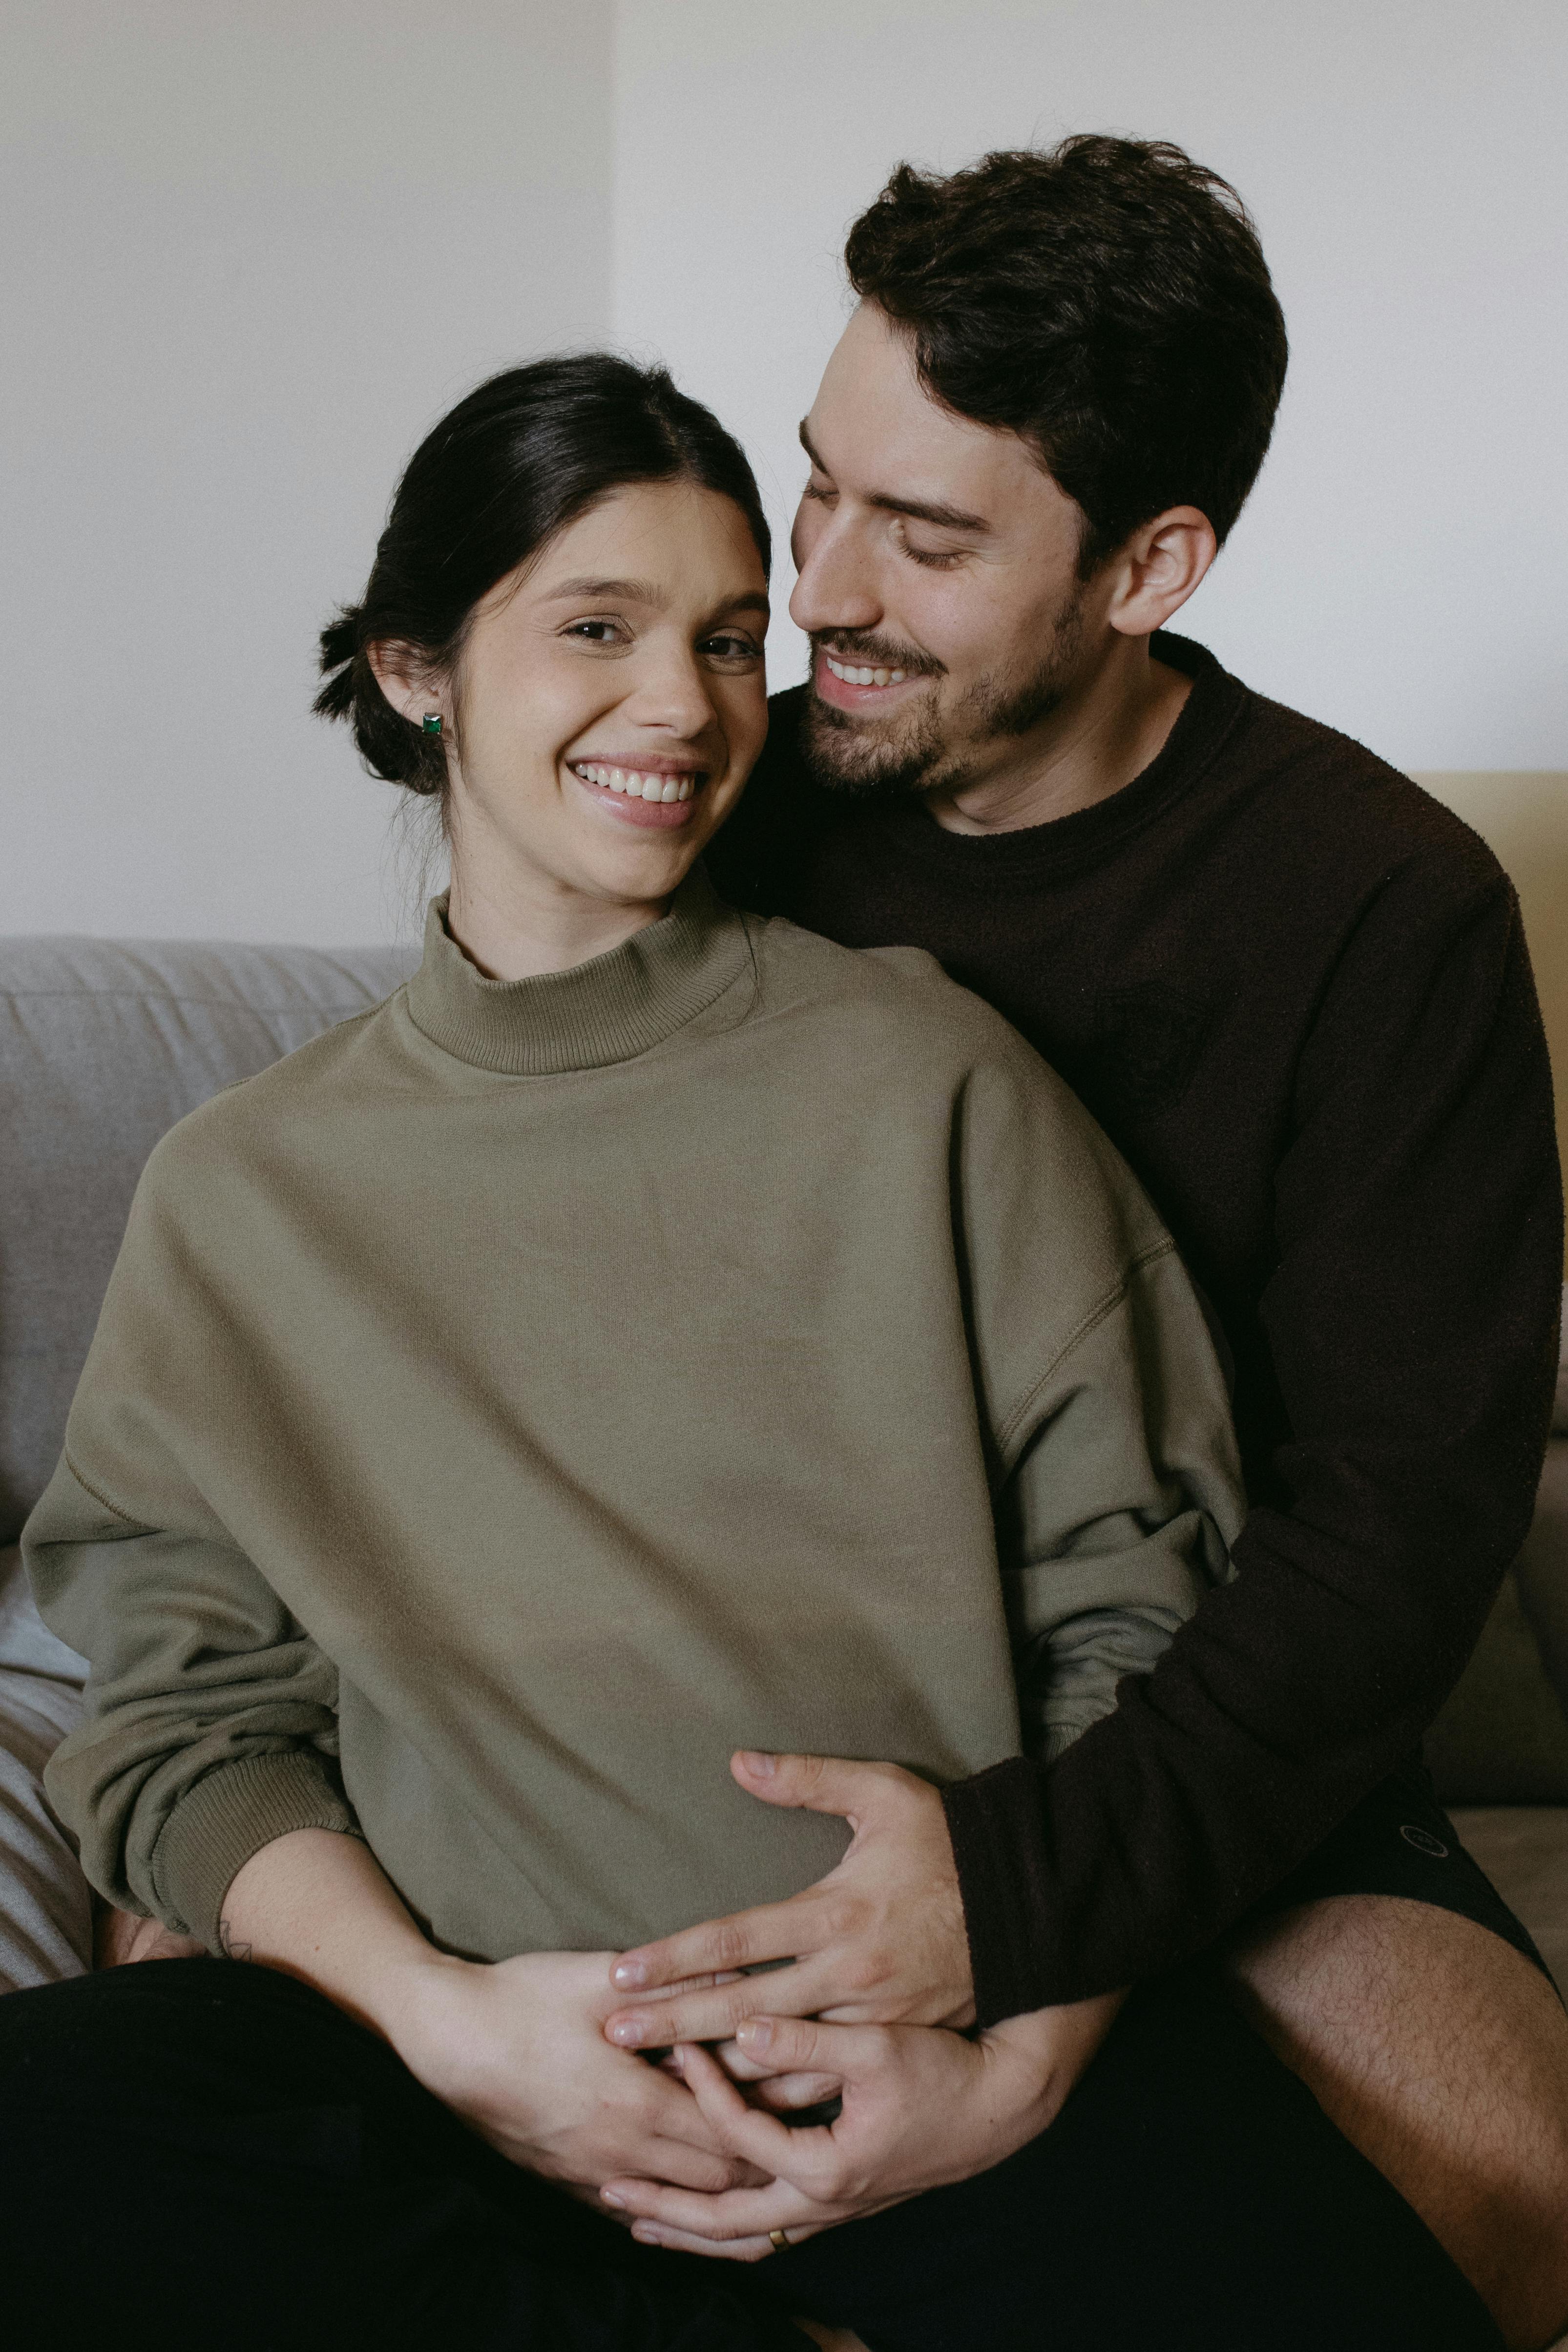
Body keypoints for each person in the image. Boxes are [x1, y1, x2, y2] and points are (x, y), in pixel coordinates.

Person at [0, 358, 1503, 2352]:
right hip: (466, 2056)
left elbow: (1138, 1610)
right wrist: (450, 2030)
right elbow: (179, 1707)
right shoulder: (243, 1189)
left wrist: (1013, 2058)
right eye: (596, 629)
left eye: (725, 639)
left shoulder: (927, 1075)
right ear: (418, 668)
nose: (687, 702)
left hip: (916, 2042)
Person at [579, 137, 1568, 2350]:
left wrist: (1015, 1905)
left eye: (921, 536)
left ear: (1150, 562)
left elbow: (1388, 1546)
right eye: (815, 481)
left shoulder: (1380, 911)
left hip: (1197, 1746)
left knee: (1507, 2200)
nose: (816, 585)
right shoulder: (713, 803)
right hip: (753, 1699)